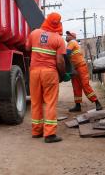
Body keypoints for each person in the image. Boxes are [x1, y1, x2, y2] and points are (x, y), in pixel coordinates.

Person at [25, 12, 66, 143]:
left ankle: (36, 131)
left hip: (34, 72)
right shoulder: (59, 39)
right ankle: (49, 134)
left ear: (47, 20)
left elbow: (27, 47)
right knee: (50, 102)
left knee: (36, 101)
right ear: (58, 24)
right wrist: (63, 74)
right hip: (49, 73)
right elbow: (60, 61)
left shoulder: (34, 33)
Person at [65, 31, 103, 112]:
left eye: (68, 35)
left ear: (72, 37)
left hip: (81, 67)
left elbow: (67, 53)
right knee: (76, 87)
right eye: (67, 34)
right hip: (75, 68)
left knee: (85, 85)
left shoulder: (72, 42)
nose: (67, 36)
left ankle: (97, 102)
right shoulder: (72, 43)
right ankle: (77, 105)